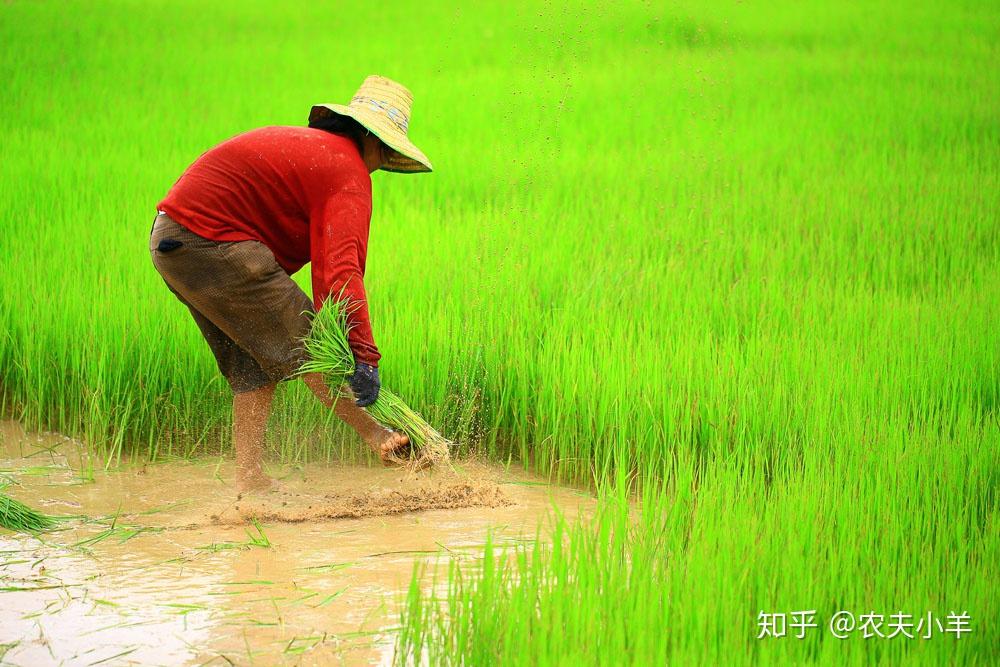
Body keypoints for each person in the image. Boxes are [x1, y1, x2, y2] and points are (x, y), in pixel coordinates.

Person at [149, 75, 433, 493]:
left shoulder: (317, 151)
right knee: (314, 344)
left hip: (173, 241)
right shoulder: (348, 170)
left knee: (253, 366)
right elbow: (341, 274)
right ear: (377, 140)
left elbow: (327, 269)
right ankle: (378, 436)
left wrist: (355, 345)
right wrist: (364, 356)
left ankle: (248, 482)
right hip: (211, 241)